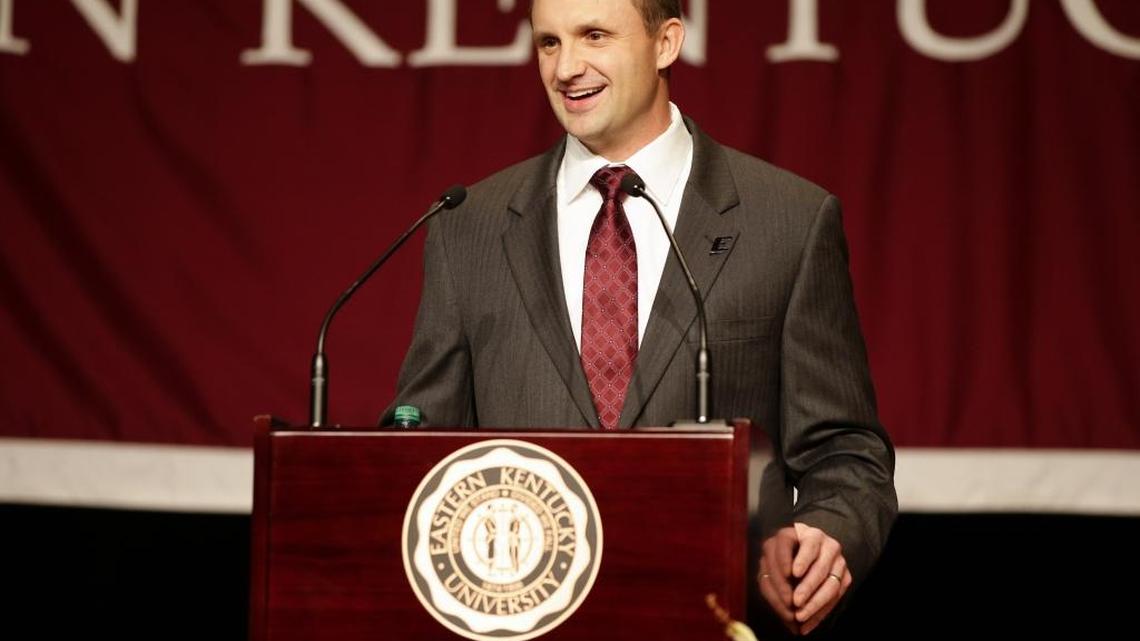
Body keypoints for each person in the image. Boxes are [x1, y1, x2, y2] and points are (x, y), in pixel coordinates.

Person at [389, 0, 896, 634]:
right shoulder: (470, 228)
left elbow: (846, 452)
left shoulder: (788, 221)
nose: (567, 67)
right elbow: (421, 451)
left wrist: (825, 529)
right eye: (548, 43)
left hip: (710, 615)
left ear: (666, 43)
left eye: (593, 36)